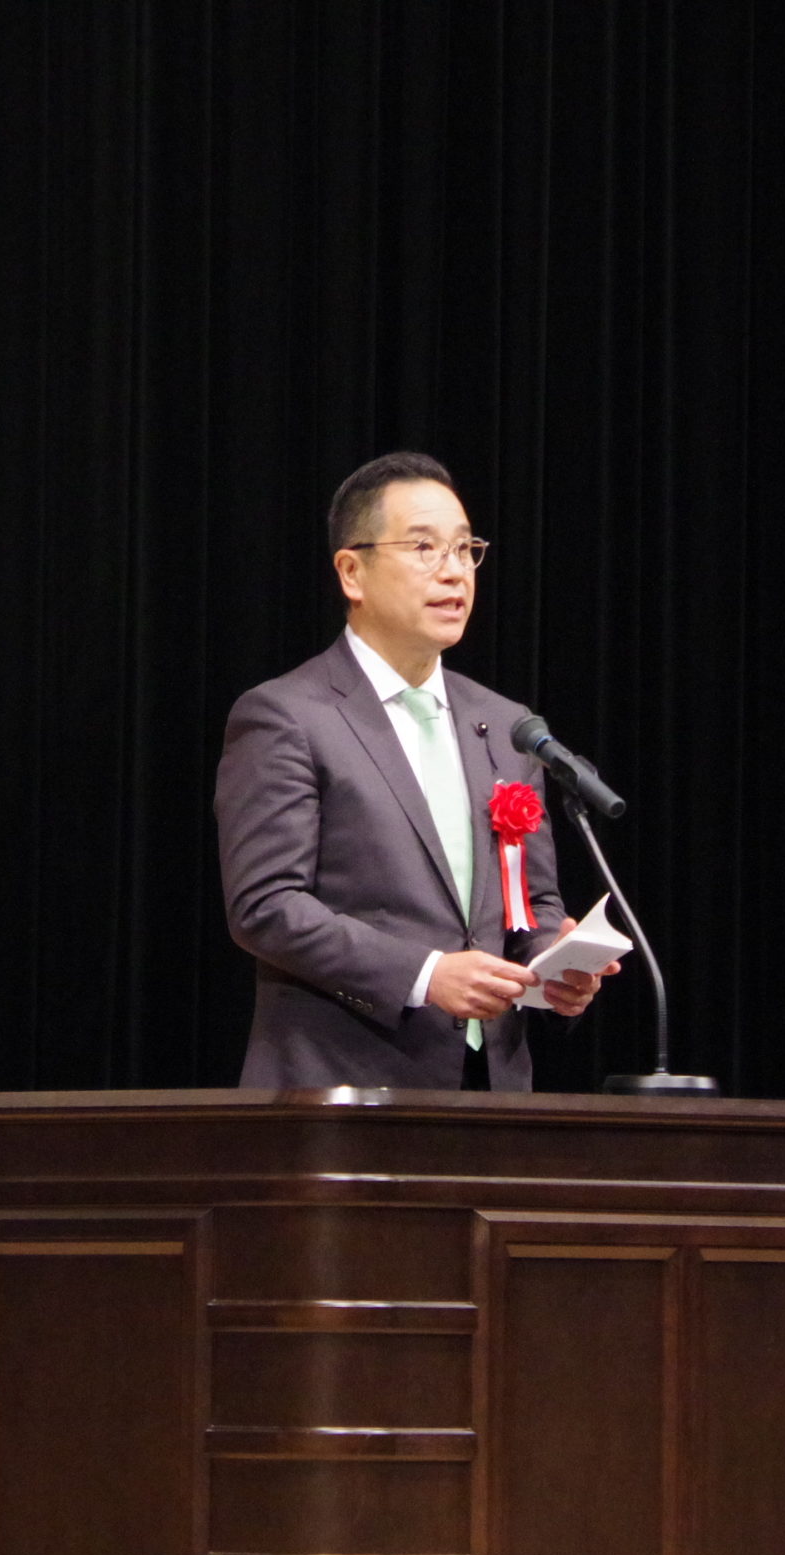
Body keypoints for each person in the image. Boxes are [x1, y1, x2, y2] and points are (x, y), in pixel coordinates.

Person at [215, 452, 612, 1089]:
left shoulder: (507, 725)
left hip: (491, 1087)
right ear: (352, 572)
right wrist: (427, 974)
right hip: (341, 1084)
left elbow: (531, 904)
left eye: (465, 549)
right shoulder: (287, 716)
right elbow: (265, 906)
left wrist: (554, 963)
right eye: (424, 547)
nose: (453, 571)